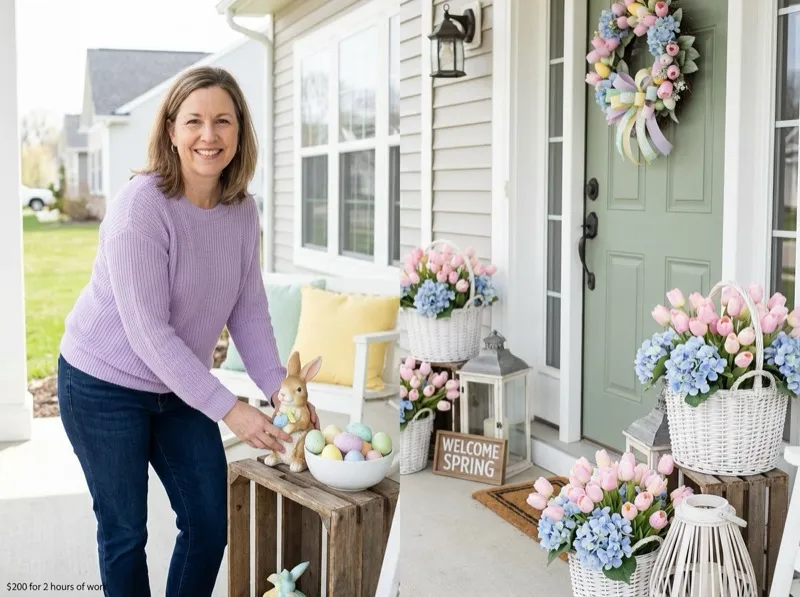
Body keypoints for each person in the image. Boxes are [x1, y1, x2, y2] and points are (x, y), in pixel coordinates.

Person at [57, 66, 317, 597]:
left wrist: (282, 392)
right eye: (194, 121)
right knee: (126, 533)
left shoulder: (243, 212)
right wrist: (229, 407)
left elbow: (249, 312)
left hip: (177, 387)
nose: (209, 135)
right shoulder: (141, 207)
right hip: (102, 386)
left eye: (223, 121)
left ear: (240, 131)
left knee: (207, 524)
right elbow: (148, 333)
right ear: (171, 130)